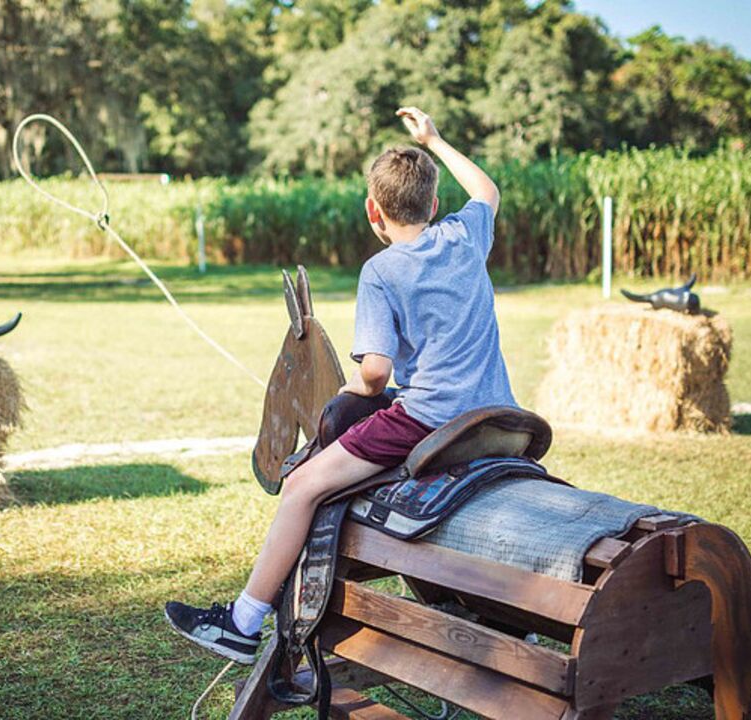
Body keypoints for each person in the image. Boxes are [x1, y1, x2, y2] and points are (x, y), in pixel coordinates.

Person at [164, 107, 517, 664]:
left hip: (433, 415)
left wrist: (351, 391)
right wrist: (434, 139)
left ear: (373, 211)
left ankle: (242, 621)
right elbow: (487, 189)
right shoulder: (463, 235)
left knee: (303, 483)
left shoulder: (381, 270)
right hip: (499, 412)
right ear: (433, 204)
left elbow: (375, 374)